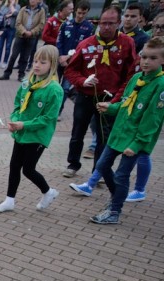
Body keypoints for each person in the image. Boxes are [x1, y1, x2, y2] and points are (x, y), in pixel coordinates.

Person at [85, 37, 164, 224]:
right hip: (119, 132)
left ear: (162, 60)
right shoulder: (137, 78)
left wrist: (137, 144)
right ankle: (117, 196)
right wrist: (110, 107)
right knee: (102, 165)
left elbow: (152, 119)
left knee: (122, 174)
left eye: (152, 58)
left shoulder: (160, 85)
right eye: (144, 56)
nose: (146, 61)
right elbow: (126, 102)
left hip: (133, 139)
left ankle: (114, 211)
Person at [62, 6, 137, 178]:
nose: (106, 27)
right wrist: (83, 81)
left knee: (104, 136)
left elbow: (131, 74)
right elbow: (71, 70)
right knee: (77, 133)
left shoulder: (126, 43)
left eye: (111, 23)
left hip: (109, 99)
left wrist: (116, 99)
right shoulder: (87, 44)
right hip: (86, 97)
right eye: (103, 23)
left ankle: (99, 169)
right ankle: (73, 164)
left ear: (118, 23)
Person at [0, 45, 62, 213]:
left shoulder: (54, 89)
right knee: (14, 166)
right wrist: (14, 121)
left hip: (38, 135)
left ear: (52, 65)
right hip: (21, 133)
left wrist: (24, 125)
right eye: (35, 61)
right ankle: (9, 200)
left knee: (28, 169)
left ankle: (48, 192)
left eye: (42, 62)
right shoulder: (26, 83)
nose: (37, 65)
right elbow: (18, 106)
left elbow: (48, 118)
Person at [0, 0, 44, 81]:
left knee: (25, 57)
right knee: (13, 56)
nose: (32, 0)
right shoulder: (23, 9)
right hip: (20, 36)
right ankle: (7, 73)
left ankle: (21, 74)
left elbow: (41, 24)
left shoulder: (41, 11)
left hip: (32, 37)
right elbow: (18, 22)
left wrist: (31, 32)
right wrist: (24, 31)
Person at [0, 0, 18, 66]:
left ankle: (5, 62)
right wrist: (10, 14)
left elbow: (16, 14)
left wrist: (11, 6)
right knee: (0, 46)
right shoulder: (4, 6)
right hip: (4, 28)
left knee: (8, 47)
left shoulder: (17, 6)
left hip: (11, 28)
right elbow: (2, 15)